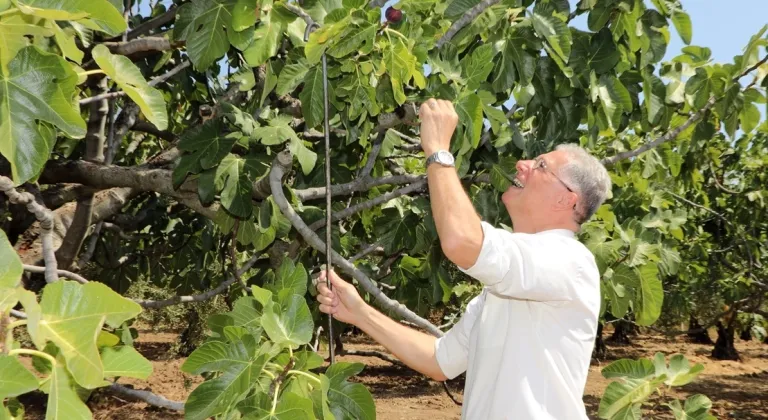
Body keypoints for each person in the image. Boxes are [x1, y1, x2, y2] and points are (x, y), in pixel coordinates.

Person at [316, 98, 612, 419]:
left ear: (565, 199)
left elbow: (461, 240)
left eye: (541, 165)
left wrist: (438, 149)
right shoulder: (507, 284)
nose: (521, 164)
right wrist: (359, 312)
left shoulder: (569, 260)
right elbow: (441, 361)